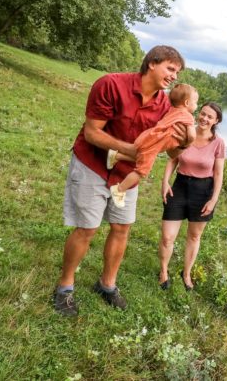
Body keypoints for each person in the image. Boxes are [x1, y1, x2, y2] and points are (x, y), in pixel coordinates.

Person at [53, 45, 190, 316]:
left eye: (178, 72)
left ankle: (107, 284)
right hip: (92, 164)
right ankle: (65, 287)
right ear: (152, 63)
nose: (174, 76)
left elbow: (171, 149)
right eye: (170, 68)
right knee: (87, 229)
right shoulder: (111, 84)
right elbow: (92, 133)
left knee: (121, 228)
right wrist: (135, 151)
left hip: (126, 175)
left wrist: (184, 142)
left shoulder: (165, 106)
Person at [158, 102, 225, 291]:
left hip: (203, 191)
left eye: (209, 117)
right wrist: (165, 182)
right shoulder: (187, 133)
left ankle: (186, 273)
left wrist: (214, 199)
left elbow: (219, 174)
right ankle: (163, 271)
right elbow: (173, 159)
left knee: (194, 236)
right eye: (202, 114)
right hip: (179, 187)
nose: (204, 118)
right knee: (167, 237)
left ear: (216, 121)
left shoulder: (218, 143)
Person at [108, 83, 198, 208]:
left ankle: (116, 156)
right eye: (196, 102)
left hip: (147, 137)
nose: (196, 105)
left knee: (141, 157)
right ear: (187, 103)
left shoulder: (172, 110)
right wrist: (189, 142)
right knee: (141, 171)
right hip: (154, 143)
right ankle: (119, 190)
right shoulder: (187, 116)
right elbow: (192, 135)